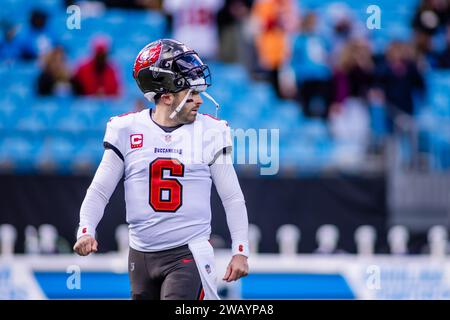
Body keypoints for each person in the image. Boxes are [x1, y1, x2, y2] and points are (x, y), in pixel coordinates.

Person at [73, 39, 249, 300]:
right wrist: (86, 229)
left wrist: (241, 250)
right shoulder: (127, 129)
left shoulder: (210, 132)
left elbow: (232, 197)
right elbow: (100, 189)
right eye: (191, 94)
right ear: (166, 97)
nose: (200, 101)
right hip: (140, 253)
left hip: (188, 253)